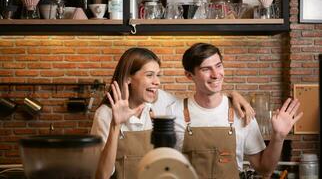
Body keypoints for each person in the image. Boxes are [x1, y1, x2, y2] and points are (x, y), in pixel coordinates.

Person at [90, 47, 255, 179]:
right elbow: (101, 175)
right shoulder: (105, 114)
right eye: (149, 75)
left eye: (158, 75)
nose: (157, 81)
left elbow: (204, 98)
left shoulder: (160, 102)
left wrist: (233, 96)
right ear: (128, 78)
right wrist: (115, 125)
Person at [167, 43, 303, 178]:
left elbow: (264, 169)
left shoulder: (242, 113)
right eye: (206, 69)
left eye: (219, 66)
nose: (216, 74)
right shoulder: (172, 113)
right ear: (189, 75)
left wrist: (278, 137)